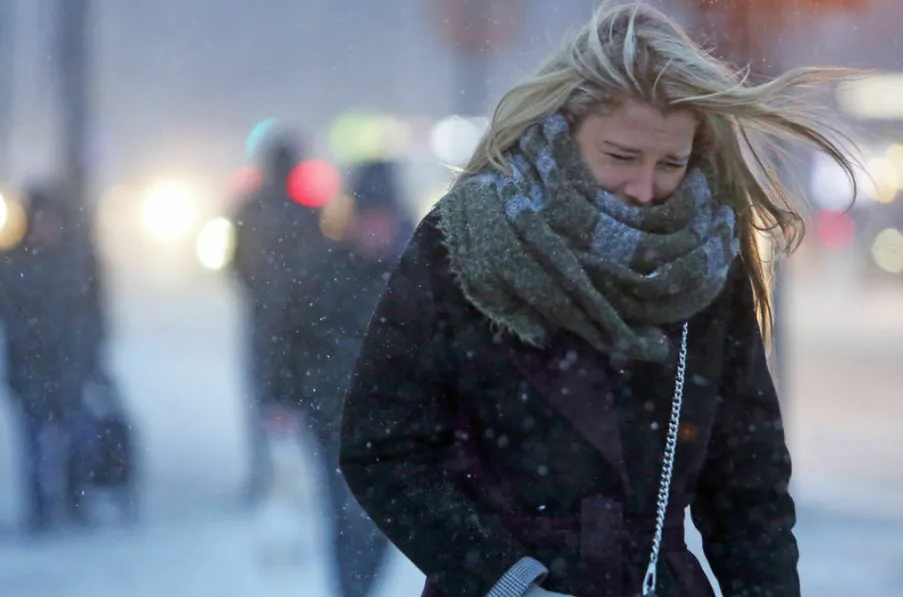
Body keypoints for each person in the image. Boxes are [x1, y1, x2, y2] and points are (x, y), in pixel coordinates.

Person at [338, 3, 860, 597]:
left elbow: (747, 485)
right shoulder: (470, 238)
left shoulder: (707, 257)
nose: (645, 188)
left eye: (671, 163)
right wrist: (507, 581)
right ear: (565, 127)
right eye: (621, 155)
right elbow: (382, 449)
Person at [292, 160, 414, 597]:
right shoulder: (326, 270)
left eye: (384, 219)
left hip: (397, 423)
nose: (376, 230)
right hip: (335, 419)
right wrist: (286, 396)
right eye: (369, 219)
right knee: (348, 516)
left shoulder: (418, 271)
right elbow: (294, 337)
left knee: (380, 523)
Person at [0, 183, 107, 533]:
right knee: (34, 442)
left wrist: (94, 358)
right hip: (30, 366)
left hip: (67, 365)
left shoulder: (75, 260)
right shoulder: (13, 260)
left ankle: (74, 501)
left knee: (78, 438)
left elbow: (95, 314)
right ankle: (40, 510)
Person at [230, 127, 329, 505]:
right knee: (302, 398)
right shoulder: (309, 214)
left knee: (263, 398)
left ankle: (265, 476)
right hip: (301, 321)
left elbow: (236, 265)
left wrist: (260, 294)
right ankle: (300, 478)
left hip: (264, 319)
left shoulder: (249, 210)